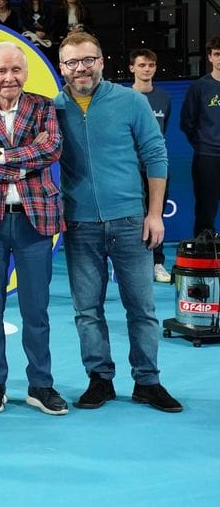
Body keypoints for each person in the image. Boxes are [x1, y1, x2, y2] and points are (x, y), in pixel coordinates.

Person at [55, 32, 182, 413]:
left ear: (101, 61)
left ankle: (148, 381)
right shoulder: (52, 109)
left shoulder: (131, 101)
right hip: (79, 225)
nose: (81, 68)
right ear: (62, 68)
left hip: (131, 222)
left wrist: (155, 213)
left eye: (88, 60)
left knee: (141, 308)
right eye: (72, 62)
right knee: (87, 310)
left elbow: (156, 156)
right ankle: (100, 379)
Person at [0, 41, 67, 416]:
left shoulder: (44, 106)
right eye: (1, 71)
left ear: (25, 72)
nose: (9, 78)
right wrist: (24, 161)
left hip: (35, 223)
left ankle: (41, 385)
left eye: (15, 70)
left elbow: (51, 150)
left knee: (36, 311)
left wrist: (0, 155)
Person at [130, 48, 172, 283]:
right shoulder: (124, 97)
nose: (147, 69)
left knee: (156, 216)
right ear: (132, 68)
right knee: (132, 219)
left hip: (157, 169)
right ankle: (129, 264)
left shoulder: (164, 97)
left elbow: (165, 128)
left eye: (151, 65)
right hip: (130, 170)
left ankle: (157, 263)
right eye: (142, 65)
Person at [180, 37, 220, 236]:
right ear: (210, 57)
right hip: (207, 156)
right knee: (206, 206)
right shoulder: (199, 87)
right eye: (217, 54)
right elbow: (187, 121)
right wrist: (203, 144)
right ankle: (205, 252)